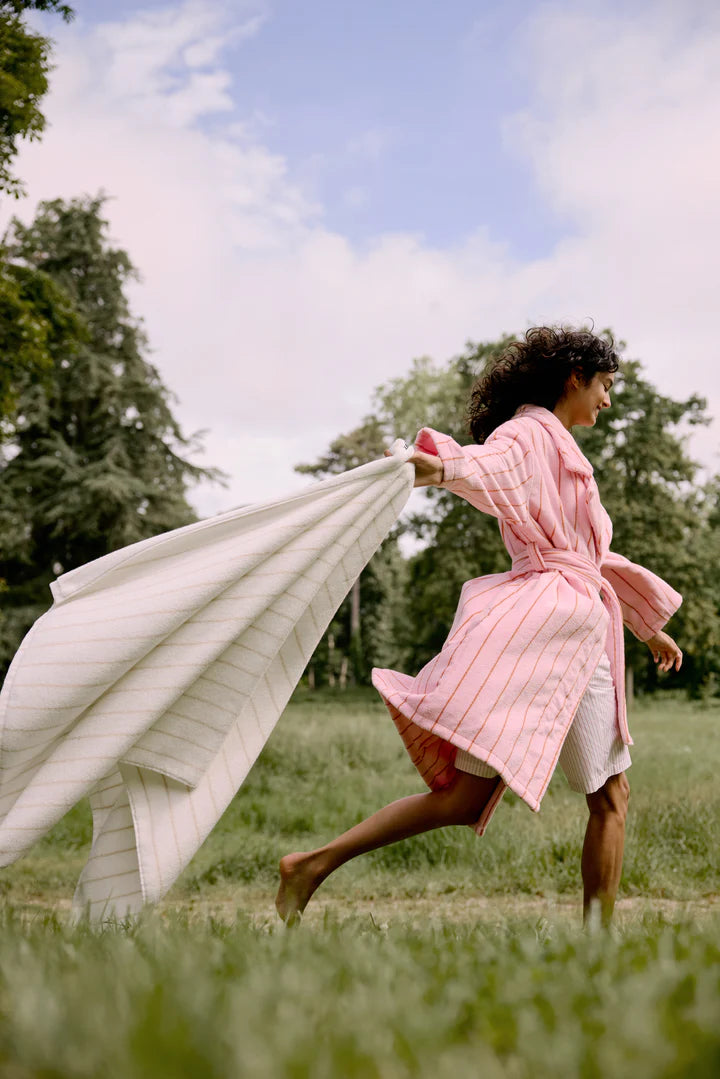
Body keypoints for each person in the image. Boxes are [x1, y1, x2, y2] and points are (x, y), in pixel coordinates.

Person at [275, 326, 683, 927]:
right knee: (593, 799)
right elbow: (487, 467)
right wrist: (430, 466)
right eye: (604, 386)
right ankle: (309, 864)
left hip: (570, 624)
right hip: (551, 628)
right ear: (575, 378)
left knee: (517, 800)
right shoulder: (528, 434)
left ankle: (310, 866)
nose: (608, 400)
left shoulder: (559, 446)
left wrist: (646, 624)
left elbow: (592, 558)